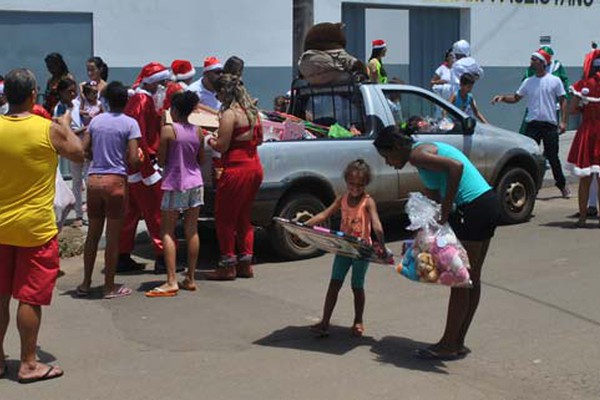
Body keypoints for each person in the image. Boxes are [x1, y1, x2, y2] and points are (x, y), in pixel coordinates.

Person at [373, 124, 500, 360]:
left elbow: (456, 168)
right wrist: (418, 237)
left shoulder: (417, 154)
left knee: (461, 281)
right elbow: (431, 203)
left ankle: (449, 344)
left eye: (387, 156)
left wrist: (446, 207)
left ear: (399, 147)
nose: (388, 162)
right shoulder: (422, 157)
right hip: (485, 203)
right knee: (471, 278)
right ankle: (456, 341)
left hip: (473, 208)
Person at [0, 68, 84, 383]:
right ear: (34, 95)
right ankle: (29, 362)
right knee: (29, 297)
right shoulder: (48, 129)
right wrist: (64, 124)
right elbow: (78, 154)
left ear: (6, 95)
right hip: (35, 229)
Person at [306, 159, 386, 338]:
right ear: (346, 181)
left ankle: (358, 320)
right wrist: (303, 226)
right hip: (343, 249)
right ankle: (325, 322)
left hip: (361, 251)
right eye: (352, 183)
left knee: (357, 286)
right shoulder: (342, 198)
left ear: (366, 184)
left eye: (360, 184)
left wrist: (381, 244)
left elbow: (376, 224)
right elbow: (324, 214)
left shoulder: (368, 202)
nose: (355, 188)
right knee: (334, 283)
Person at [76, 81, 141, 299]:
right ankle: (109, 286)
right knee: (113, 238)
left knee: (93, 235)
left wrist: (96, 156)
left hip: (94, 179)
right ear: (126, 101)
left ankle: (85, 283)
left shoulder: (96, 121)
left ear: (106, 100)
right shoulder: (130, 123)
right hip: (116, 181)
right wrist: (137, 158)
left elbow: (83, 150)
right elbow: (133, 159)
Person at [203, 73, 263, 280]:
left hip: (236, 169)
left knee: (225, 218)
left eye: (218, 93)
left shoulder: (230, 114)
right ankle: (246, 263)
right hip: (254, 166)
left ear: (223, 92)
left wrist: (208, 138)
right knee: (244, 217)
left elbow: (222, 145)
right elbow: (260, 140)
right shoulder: (252, 112)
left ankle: (228, 264)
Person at [146, 91, 205, 297]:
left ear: (174, 109)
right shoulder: (198, 131)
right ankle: (190, 276)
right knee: (192, 230)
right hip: (195, 182)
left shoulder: (168, 131)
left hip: (174, 182)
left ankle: (171, 280)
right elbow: (201, 158)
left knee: (168, 231)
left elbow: (161, 160)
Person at [491, 49, 570, 198]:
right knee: (529, 157)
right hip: (532, 124)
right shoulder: (529, 81)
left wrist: (564, 121)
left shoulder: (554, 80)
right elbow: (516, 98)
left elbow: (563, 99)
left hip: (549, 125)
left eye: (534, 59)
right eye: (531, 59)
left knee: (552, 157)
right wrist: (502, 98)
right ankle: (530, 188)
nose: (531, 61)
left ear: (542, 62)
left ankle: (562, 186)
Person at [117, 62, 171, 273]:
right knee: (156, 211)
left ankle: (122, 255)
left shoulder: (140, 100)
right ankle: (162, 256)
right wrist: (148, 169)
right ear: (154, 83)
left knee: (131, 212)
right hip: (143, 166)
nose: (164, 87)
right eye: (162, 83)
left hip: (136, 167)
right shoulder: (142, 101)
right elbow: (138, 137)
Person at [566, 48, 600, 227]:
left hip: (587, 131)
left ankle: (582, 218)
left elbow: (572, 110)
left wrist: (582, 107)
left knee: (585, 179)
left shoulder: (583, 85)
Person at [53, 77, 88, 228]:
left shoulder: (76, 104)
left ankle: (90, 212)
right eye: (69, 91)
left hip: (85, 145)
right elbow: (63, 130)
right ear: (61, 92)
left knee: (88, 178)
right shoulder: (59, 109)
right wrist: (84, 129)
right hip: (73, 146)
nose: (73, 94)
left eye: (74, 90)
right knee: (77, 181)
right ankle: (79, 214)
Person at [519, 46, 570, 135]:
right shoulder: (534, 66)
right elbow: (526, 80)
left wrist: (565, 93)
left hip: (551, 105)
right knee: (527, 132)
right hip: (535, 105)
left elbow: (564, 82)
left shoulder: (556, 67)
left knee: (550, 135)